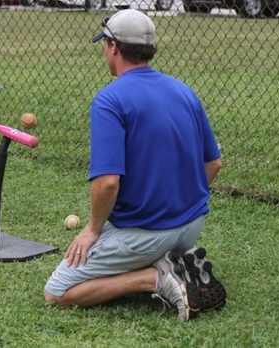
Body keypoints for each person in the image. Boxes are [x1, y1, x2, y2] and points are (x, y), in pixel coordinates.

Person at [44, 9, 223, 320]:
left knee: (57, 291)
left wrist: (92, 229)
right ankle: (170, 259)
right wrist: (181, 207)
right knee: (132, 235)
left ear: (113, 46)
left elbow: (108, 182)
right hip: (191, 226)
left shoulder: (110, 100)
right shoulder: (183, 90)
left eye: (105, 45)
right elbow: (214, 163)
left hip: (149, 232)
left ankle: (155, 278)